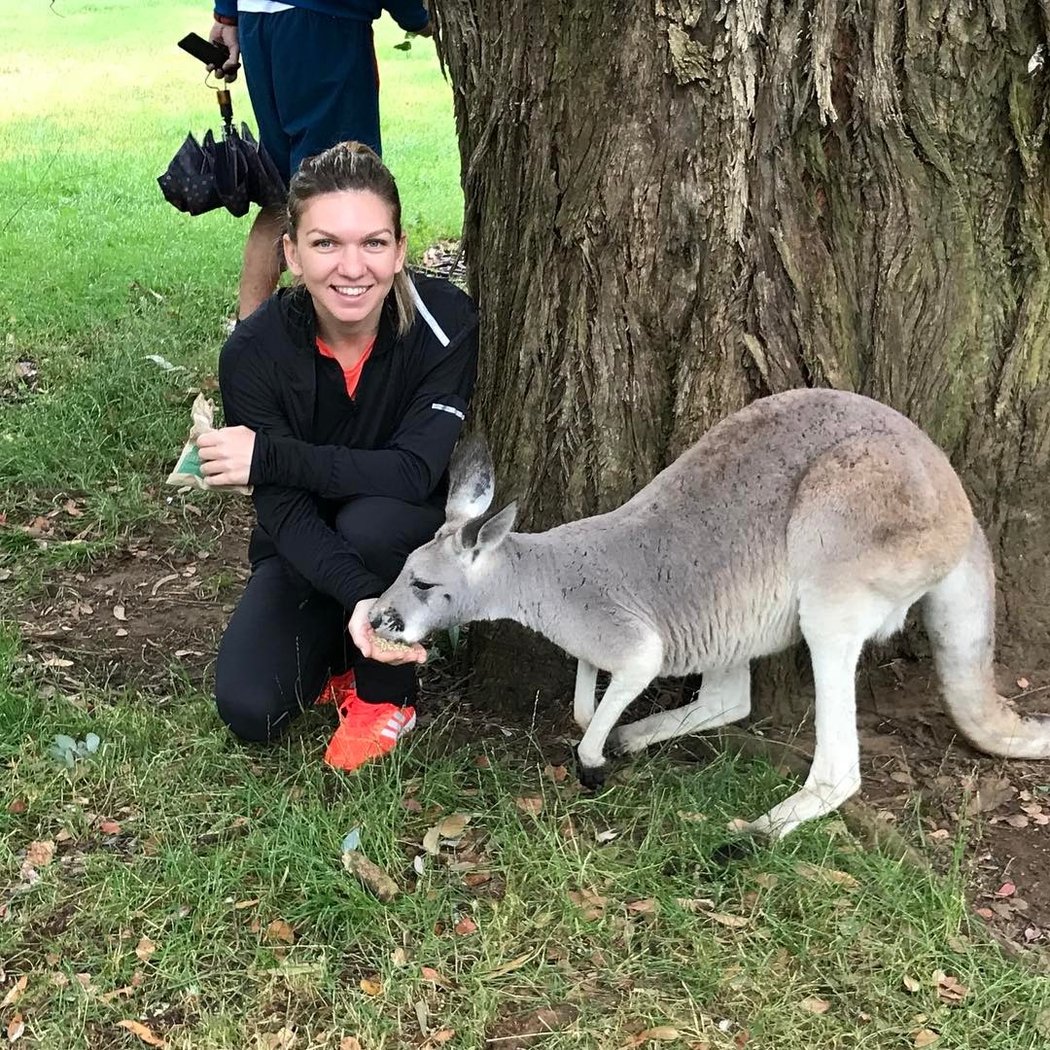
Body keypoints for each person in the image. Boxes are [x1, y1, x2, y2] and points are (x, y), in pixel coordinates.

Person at [196, 140, 478, 770]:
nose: (353, 268)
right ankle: (347, 646)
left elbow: (414, 469)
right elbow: (286, 512)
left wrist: (268, 456)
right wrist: (358, 597)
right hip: (304, 544)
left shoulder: (445, 319)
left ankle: (387, 695)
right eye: (326, 243)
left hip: (403, 537)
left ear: (400, 249)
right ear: (291, 254)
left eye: (374, 243)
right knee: (250, 707)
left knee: (372, 519)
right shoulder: (253, 352)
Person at [208, 1, 433, 323]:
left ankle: (248, 336)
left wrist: (228, 14)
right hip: (324, 25)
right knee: (336, 188)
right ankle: (318, 342)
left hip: (259, 21)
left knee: (285, 190)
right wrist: (418, 16)